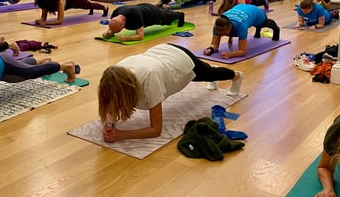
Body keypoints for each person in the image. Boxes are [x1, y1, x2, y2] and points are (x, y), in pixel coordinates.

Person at [98, 43, 244, 142]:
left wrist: (122, 135)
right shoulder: (113, 77)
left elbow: (156, 129)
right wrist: (109, 125)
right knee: (208, 71)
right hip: (159, 53)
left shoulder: (149, 79)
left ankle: (236, 75)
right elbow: (109, 106)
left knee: (210, 73)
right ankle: (209, 70)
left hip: (181, 59)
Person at [204, 4, 280, 59]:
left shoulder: (241, 27)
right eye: (219, 33)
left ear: (230, 28)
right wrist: (210, 49)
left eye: (223, 33)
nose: (221, 35)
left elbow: (243, 51)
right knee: (254, 24)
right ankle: (257, 31)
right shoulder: (218, 25)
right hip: (240, 8)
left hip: (256, 12)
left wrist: (230, 54)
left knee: (263, 24)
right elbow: (214, 45)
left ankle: (276, 29)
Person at [102, 3, 185, 42]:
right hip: (140, 7)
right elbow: (112, 29)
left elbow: (140, 36)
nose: (116, 32)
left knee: (167, 19)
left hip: (152, 13)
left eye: (119, 30)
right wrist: (108, 33)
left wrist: (126, 38)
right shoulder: (116, 14)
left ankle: (180, 15)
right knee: (165, 15)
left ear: (123, 24)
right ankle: (161, 7)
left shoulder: (135, 16)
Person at [34, 0, 108, 25]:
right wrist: (39, 20)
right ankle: (91, 9)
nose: (43, 9)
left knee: (89, 5)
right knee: (88, 6)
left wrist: (45, 23)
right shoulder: (45, 3)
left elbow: (59, 21)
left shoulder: (60, 1)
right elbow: (43, 18)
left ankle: (104, 7)